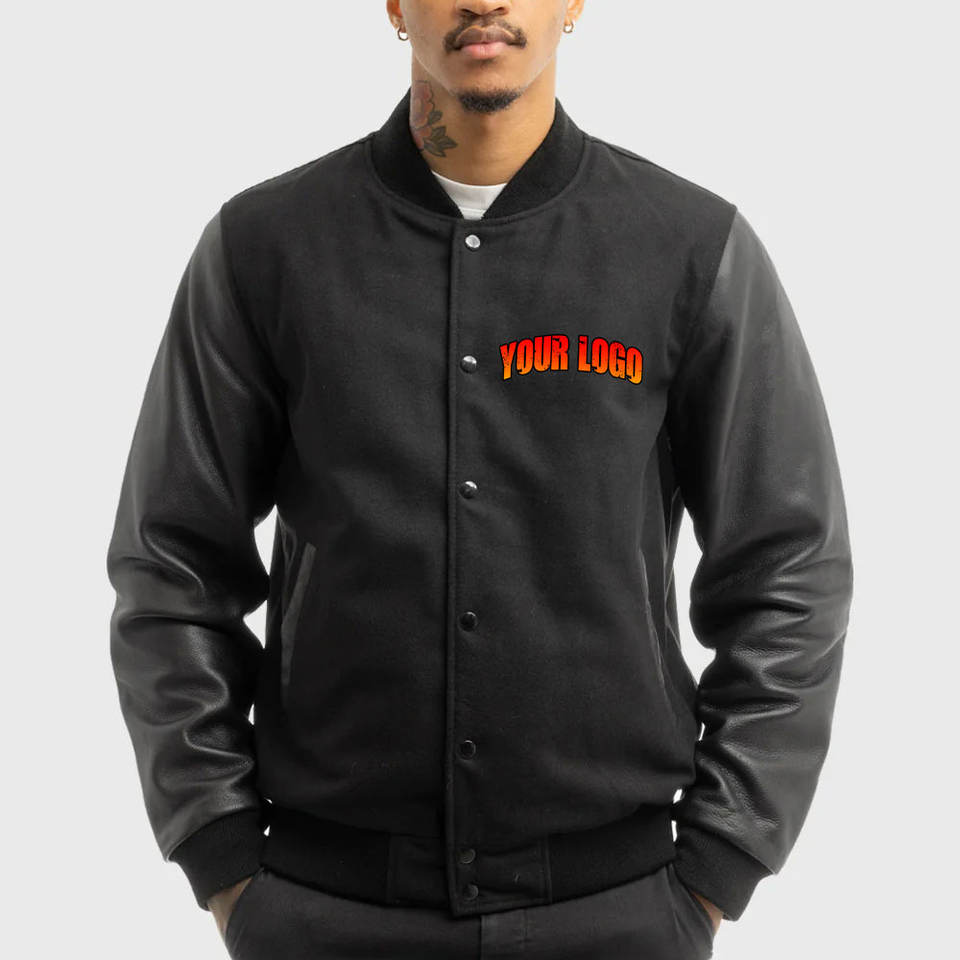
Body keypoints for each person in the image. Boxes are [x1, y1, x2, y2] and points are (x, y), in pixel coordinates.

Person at [106, 2, 854, 957]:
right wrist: (217, 850)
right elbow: (171, 561)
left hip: (619, 910)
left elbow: (791, 566)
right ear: (394, 5)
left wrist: (723, 859)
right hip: (322, 908)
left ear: (573, 3)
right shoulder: (263, 246)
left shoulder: (691, 247)